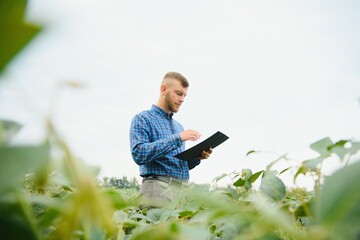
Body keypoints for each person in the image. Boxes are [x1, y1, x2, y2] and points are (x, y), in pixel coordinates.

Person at [129, 71, 213, 208]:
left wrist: (197, 158)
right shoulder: (143, 118)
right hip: (156, 190)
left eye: (184, 96)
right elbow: (139, 153)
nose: (182, 99)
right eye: (179, 93)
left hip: (181, 194)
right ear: (163, 89)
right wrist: (178, 138)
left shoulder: (179, 127)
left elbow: (176, 164)